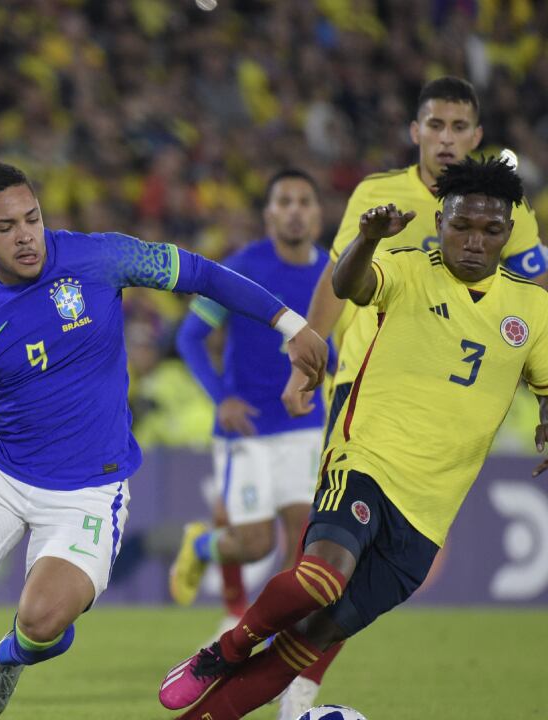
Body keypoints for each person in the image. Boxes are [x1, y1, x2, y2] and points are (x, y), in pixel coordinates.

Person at [0, 162, 328, 720]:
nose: (25, 236)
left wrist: (292, 325)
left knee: (41, 623)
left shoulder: (99, 256)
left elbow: (202, 274)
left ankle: (11, 657)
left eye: (32, 219)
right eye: (5, 227)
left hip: (90, 488)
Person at [159, 157, 548, 719]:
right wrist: (365, 240)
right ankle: (225, 649)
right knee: (320, 575)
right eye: (461, 225)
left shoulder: (532, 309)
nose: (473, 242)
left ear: (508, 232)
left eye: (490, 231)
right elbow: (351, 284)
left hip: (429, 513)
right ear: (440, 219)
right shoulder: (407, 266)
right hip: (365, 457)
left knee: (305, 643)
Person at [273, 75, 547, 713]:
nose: (446, 138)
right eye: (436, 125)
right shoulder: (377, 195)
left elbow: (533, 299)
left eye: (459, 128)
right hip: (365, 386)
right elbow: (337, 279)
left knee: (369, 565)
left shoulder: (512, 211)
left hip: (447, 406)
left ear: (477, 137)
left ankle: (290, 671)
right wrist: (307, 355)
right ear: (415, 131)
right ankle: (287, 677)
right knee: (331, 545)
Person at [169, 170, 329, 628]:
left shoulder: (333, 275)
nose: (295, 210)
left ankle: (255, 627)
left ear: (318, 214)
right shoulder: (240, 270)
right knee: (256, 543)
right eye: (285, 201)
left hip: (305, 424)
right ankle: (201, 544)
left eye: (304, 201)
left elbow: (335, 349)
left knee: (306, 543)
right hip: (249, 427)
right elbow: (190, 337)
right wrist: (221, 398)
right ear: (269, 214)